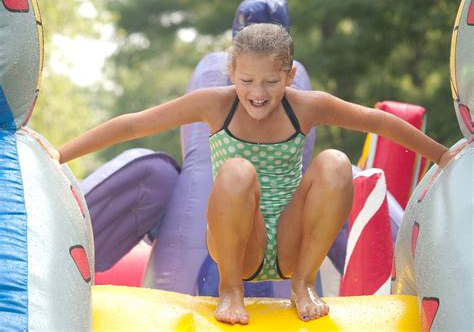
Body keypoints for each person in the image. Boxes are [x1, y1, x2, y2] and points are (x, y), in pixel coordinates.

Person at [44, 23, 454, 325]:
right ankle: (230, 290)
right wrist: (60, 153)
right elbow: (134, 124)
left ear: (290, 76)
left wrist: (442, 156)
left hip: (292, 240)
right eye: (246, 80)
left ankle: (303, 285)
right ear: (230, 73)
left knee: (335, 162)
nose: (258, 92)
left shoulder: (306, 106)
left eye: (271, 81)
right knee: (238, 170)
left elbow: (377, 123)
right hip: (238, 242)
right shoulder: (215, 105)